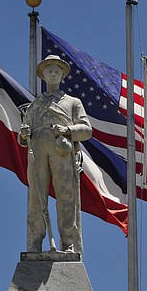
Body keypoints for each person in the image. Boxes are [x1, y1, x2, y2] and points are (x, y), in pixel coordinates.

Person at [18, 55, 92, 253]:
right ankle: (35, 241)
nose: (53, 73)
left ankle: (67, 242)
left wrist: (68, 130)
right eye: (49, 70)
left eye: (57, 71)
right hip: (38, 149)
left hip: (62, 149)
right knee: (36, 197)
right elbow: (26, 129)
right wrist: (23, 135)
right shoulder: (35, 105)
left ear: (62, 76)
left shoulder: (73, 102)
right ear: (42, 75)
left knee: (66, 196)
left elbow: (86, 130)